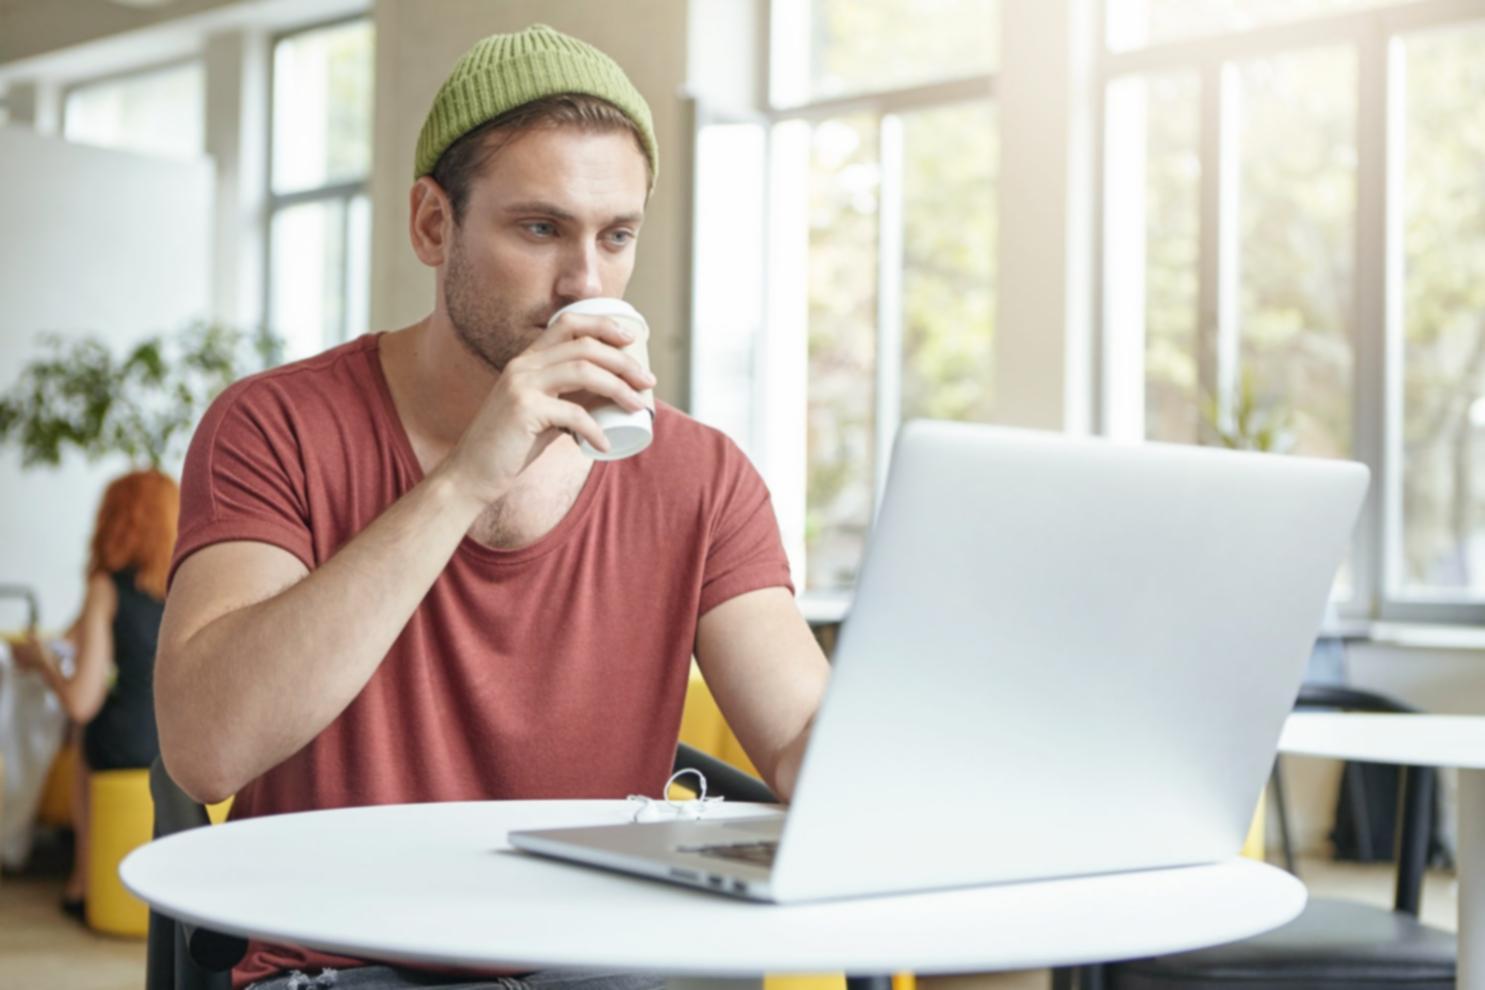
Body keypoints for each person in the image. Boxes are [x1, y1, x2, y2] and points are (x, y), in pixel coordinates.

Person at [154, 23, 831, 990]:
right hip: (344, 960)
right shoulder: (276, 425)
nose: (583, 284)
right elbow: (207, 750)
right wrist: (468, 474)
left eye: (616, 235)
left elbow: (807, 743)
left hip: (595, 959)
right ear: (434, 224)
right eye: (540, 228)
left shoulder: (700, 474)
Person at [12, 468, 179, 918]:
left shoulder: (108, 587)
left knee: (84, 730)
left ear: (116, 520)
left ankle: (81, 882)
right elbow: (72, 637)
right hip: (179, 740)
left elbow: (81, 702)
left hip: (126, 742)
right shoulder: (181, 587)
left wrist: (44, 664)